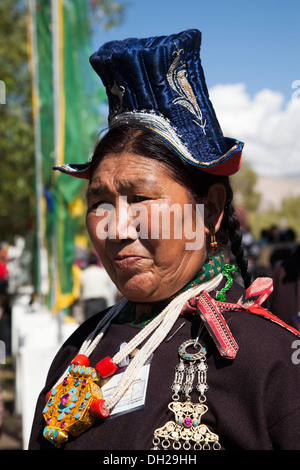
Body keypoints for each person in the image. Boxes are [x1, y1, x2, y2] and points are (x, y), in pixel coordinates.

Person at [29, 29, 300, 450]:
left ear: (208, 210)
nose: (116, 228)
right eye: (99, 201)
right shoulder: (76, 355)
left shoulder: (272, 363)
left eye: (140, 199)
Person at [80, 252, 114, 320]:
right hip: (101, 302)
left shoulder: (84, 273)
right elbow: (107, 286)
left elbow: (81, 288)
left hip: (89, 303)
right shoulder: (102, 272)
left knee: (89, 326)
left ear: (88, 262)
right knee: (102, 323)